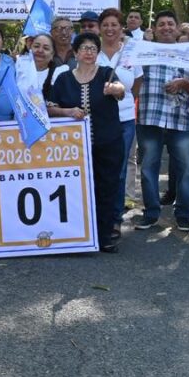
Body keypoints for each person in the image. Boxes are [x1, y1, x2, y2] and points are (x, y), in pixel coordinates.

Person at [47, 32, 127, 253]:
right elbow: (49, 108)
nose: (89, 52)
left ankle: (104, 236)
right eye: (84, 48)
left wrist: (114, 89)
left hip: (108, 143)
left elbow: (121, 91)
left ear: (98, 52)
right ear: (75, 52)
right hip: (74, 148)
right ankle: (79, 236)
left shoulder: (107, 74)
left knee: (107, 188)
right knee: (77, 190)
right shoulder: (64, 78)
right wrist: (67, 111)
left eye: (93, 48)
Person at [134, 10, 189, 231]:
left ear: (177, 27)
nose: (166, 27)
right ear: (154, 29)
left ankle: (183, 214)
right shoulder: (142, 51)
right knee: (147, 169)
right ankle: (151, 213)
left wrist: (183, 83)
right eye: (161, 24)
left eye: (170, 24)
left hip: (181, 120)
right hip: (149, 118)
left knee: (186, 170)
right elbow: (129, 76)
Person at [93, 8, 138, 235]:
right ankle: (95, 217)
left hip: (124, 121)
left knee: (119, 172)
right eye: (106, 24)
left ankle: (114, 219)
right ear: (99, 28)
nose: (110, 28)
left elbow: (136, 86)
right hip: (97, 121)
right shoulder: (92, 52)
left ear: (122, 28)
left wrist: (123, 99)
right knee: (97, 169)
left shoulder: (131, 54)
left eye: (115, 24)